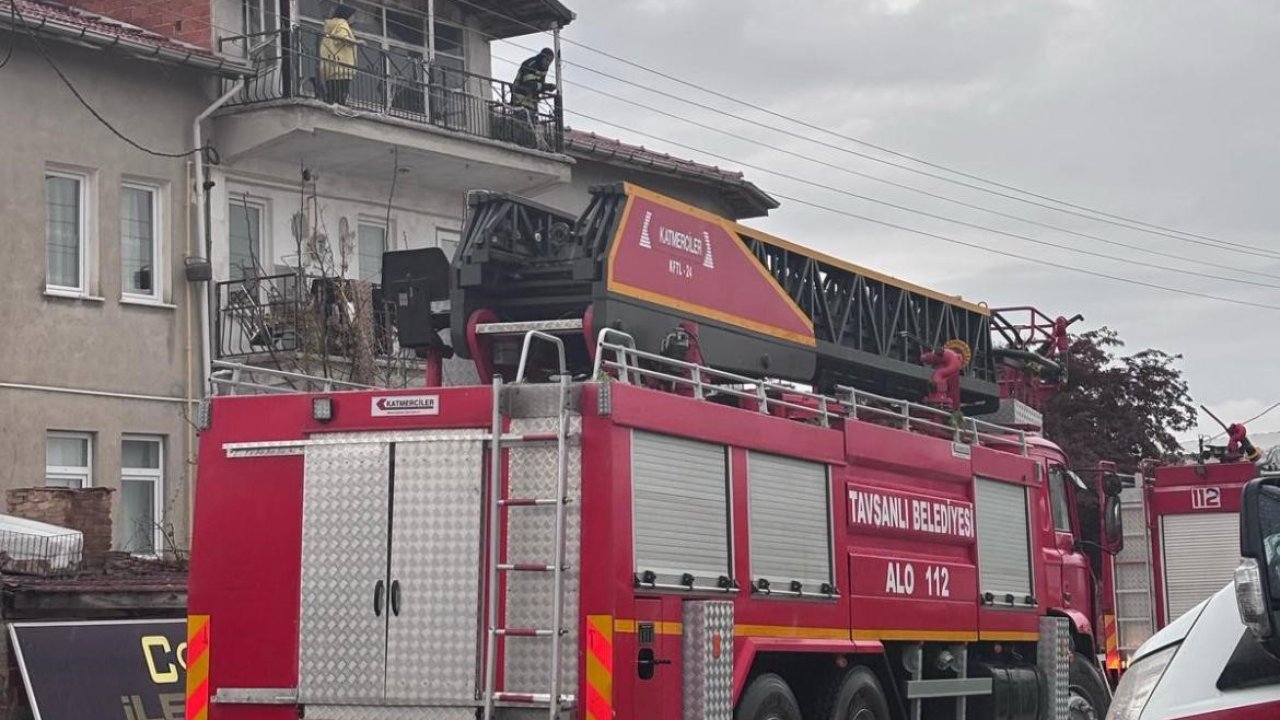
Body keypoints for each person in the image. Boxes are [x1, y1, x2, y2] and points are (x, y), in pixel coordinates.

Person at [320, 5, 359, 105]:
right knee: (341, 95)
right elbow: (342, 37)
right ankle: (340, 107)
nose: (354, 18)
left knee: (333, 94)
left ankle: (332, 104)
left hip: (331, 66)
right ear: (347, 15)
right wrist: (357, 42)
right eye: (353, 15)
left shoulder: (331, 26)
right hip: (342, 66)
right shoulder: (342, 23)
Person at [510, 47, 556, 117]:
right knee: (522, 122)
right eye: (547, 60)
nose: (548, 63)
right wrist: (546, 87)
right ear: (541, 57)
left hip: (531, 102)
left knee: (531, 123)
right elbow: (529, 85)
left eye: (550, 61)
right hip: (520, 100)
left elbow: (539, 85)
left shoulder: (544, 68)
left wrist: (545, 87)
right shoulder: (530, 64)